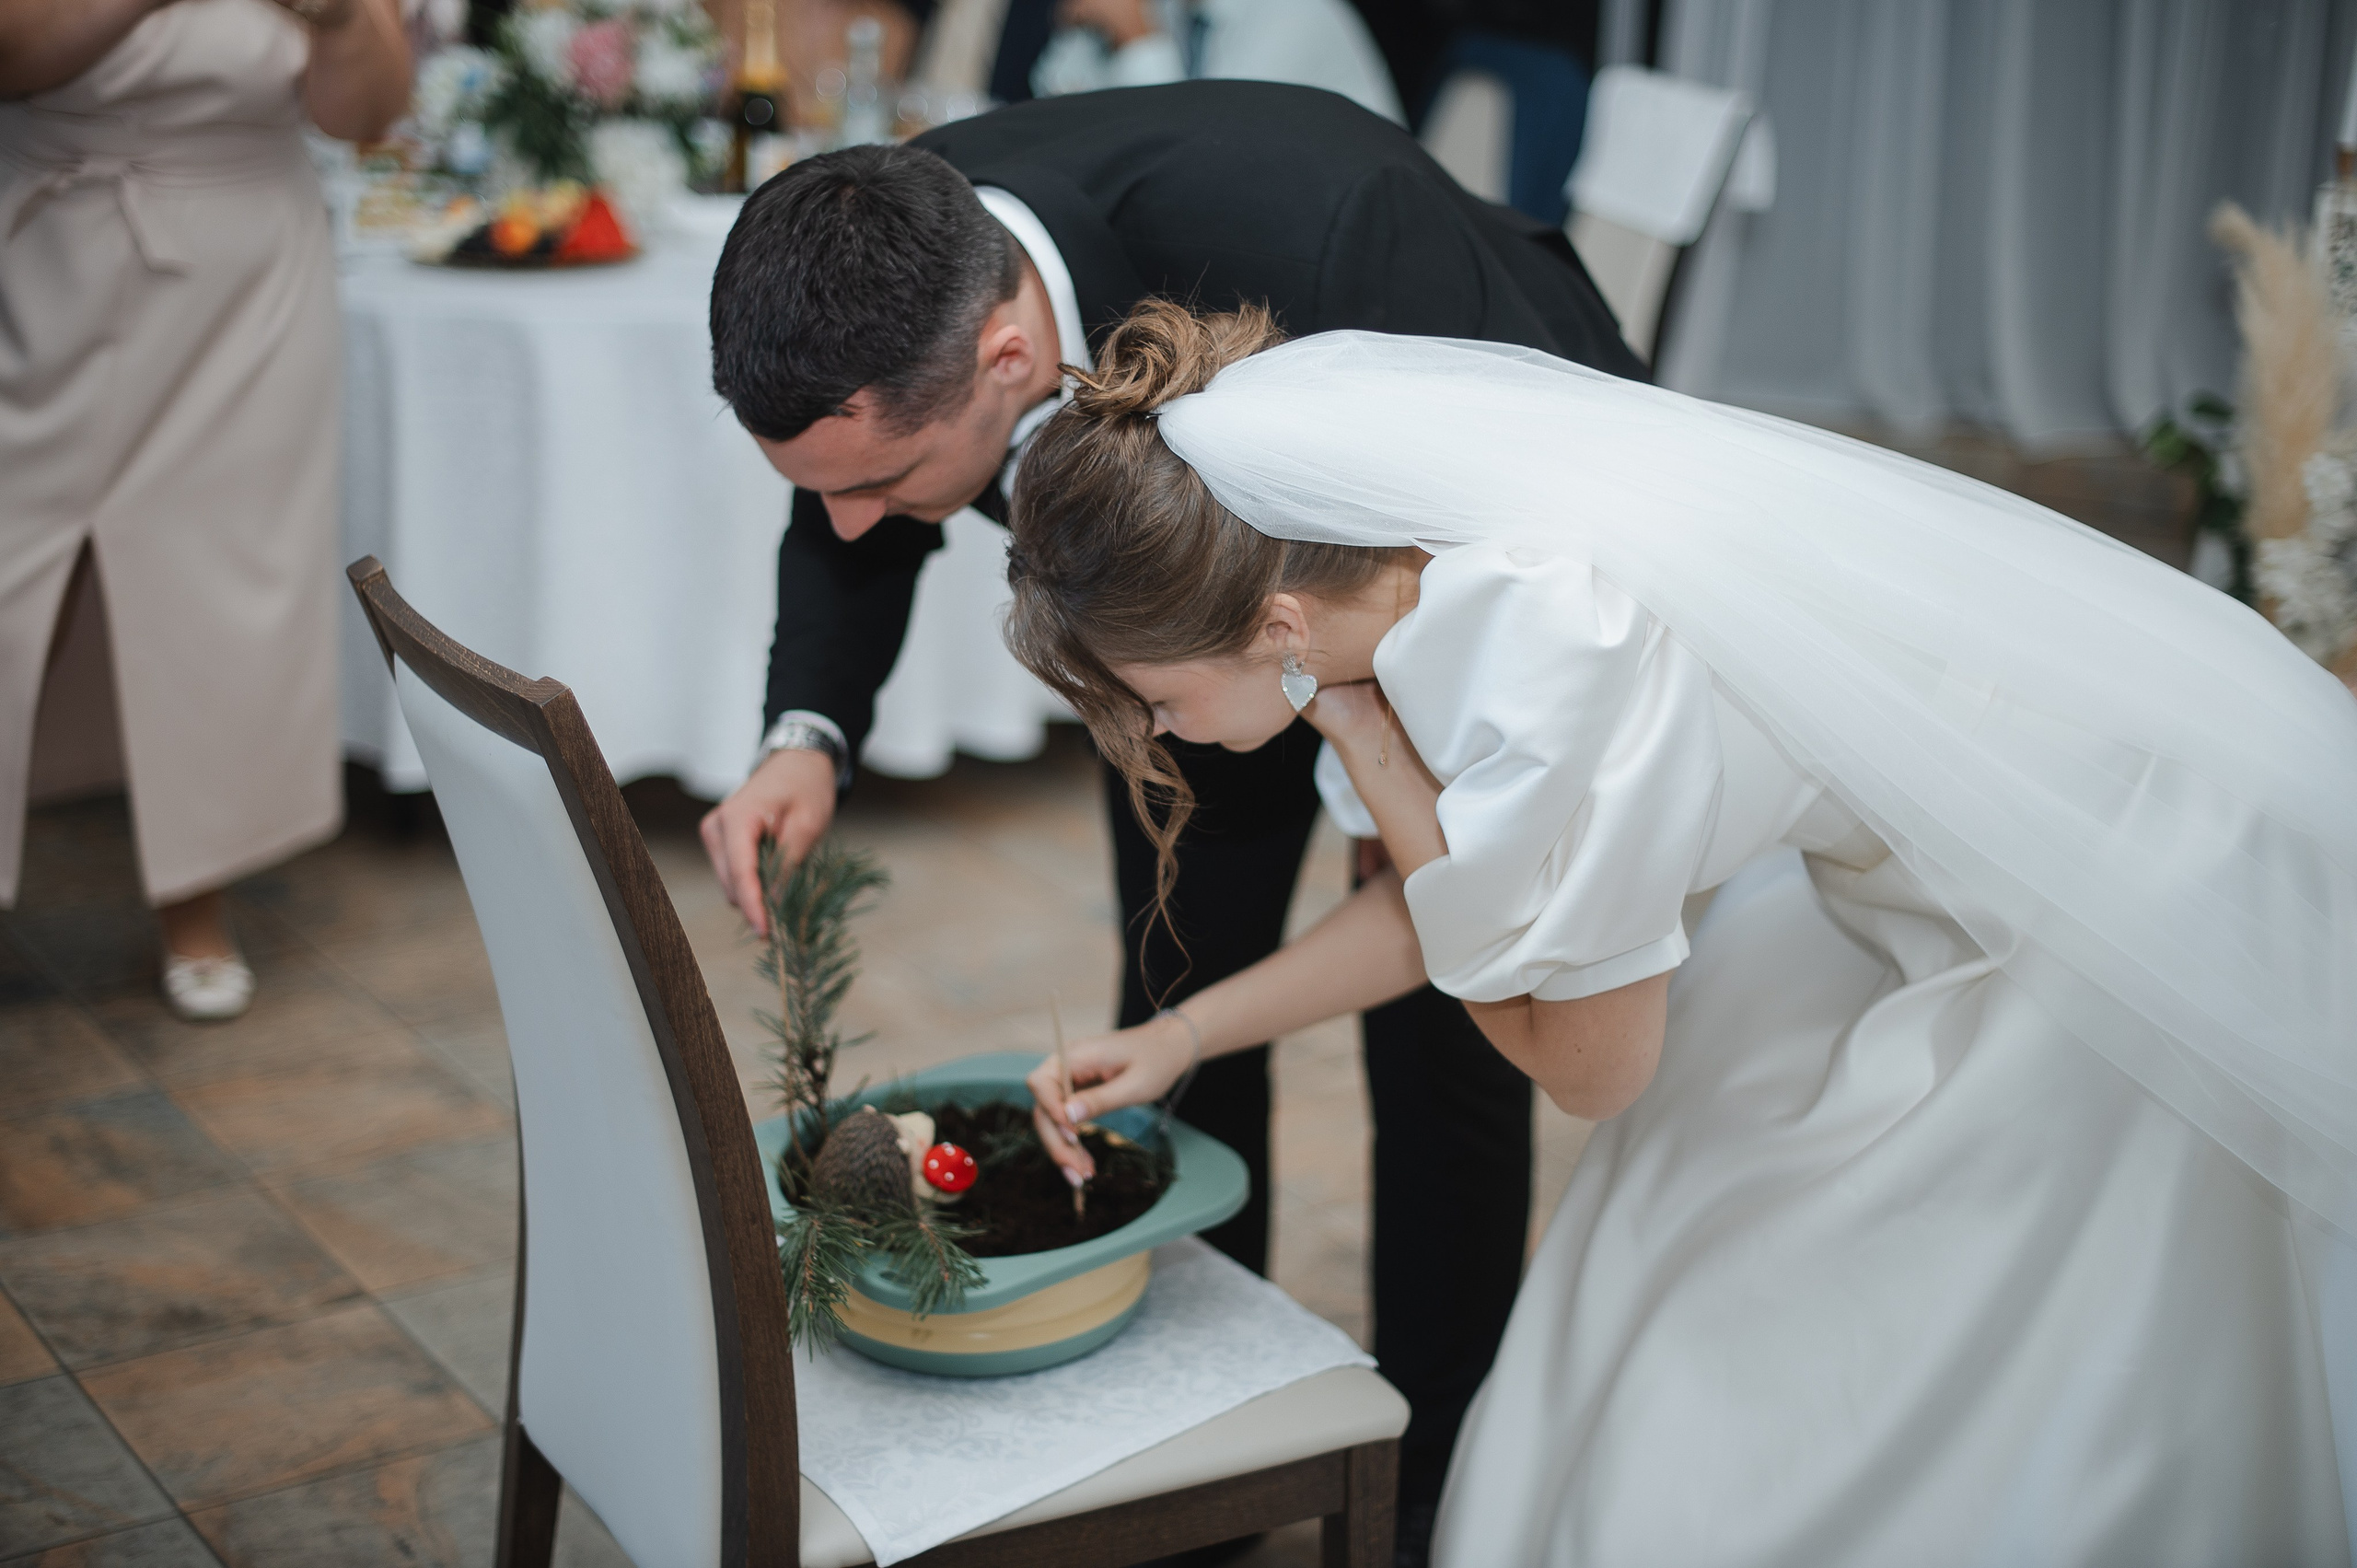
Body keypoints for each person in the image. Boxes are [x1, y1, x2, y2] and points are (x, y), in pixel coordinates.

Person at [1005, 301, 2357, 1566]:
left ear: (1279, 623)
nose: (1160, 735)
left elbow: (1589, 1065)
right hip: (1953, 850)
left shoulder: (1558, 649)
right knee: (1677, 1214)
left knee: (1896, 1330)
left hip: (2102, 883)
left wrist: (1368, 747)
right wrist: (1182, 1030)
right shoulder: (1410, 583)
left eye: (1157, 697)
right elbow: (1457, 903)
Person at [702, 82, 1645, 1547]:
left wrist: (1393, 760)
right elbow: (837, 497)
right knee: (1181, 986)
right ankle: (1215, 1448)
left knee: (1450, 1021)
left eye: (887, 480)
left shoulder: (1334, 233)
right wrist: (805, 733)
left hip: (1481, 554)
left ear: (1011, 358)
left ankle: (1439, 1473)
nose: (851, 515)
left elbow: (1512, 534)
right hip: (1196, 641)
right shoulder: (895, 252)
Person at [0, 0, 412, 1019]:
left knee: (215, 585)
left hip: (247, 269)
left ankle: (197, 894)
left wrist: (343, 18)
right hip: (42, 243)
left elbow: (366, 111)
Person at [1031, 0, 1402, 126]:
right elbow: (1054, 95)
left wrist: (1136, 39)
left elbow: (1196, 152)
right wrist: (1085, 35)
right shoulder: (1174, 8)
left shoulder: (1293, 15)